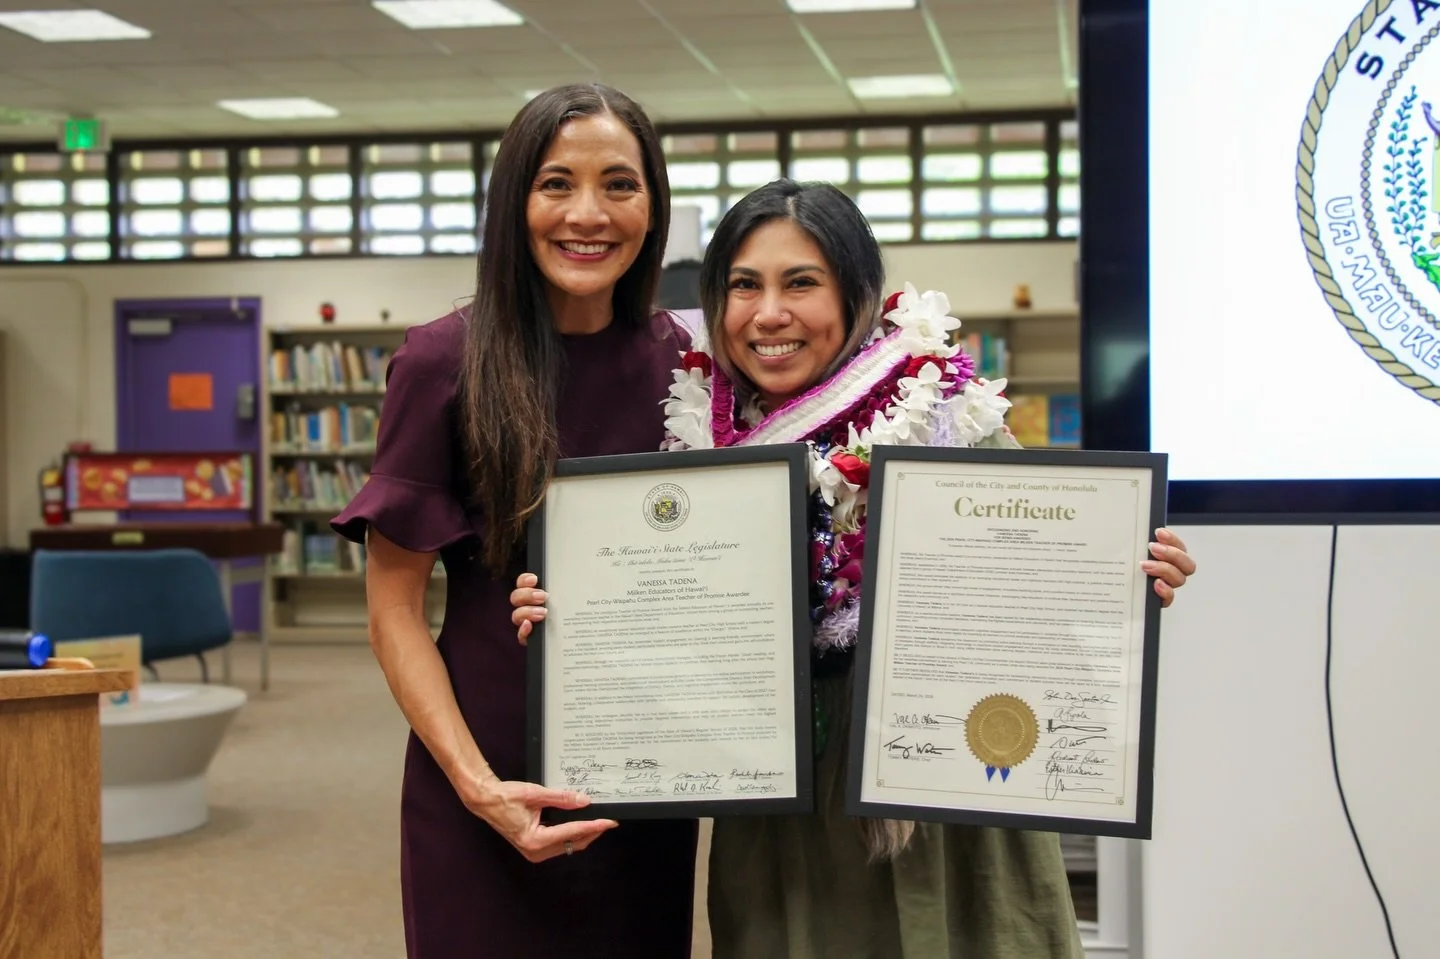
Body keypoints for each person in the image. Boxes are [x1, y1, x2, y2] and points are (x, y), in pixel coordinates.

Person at [511, 179, 1197, 958]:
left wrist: (1121, 578)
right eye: (744, 285)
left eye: (801, 282)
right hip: (784, 814)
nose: (769, 314)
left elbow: (1044, 607)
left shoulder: (947, 420)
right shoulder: (694, 444)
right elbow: (670, 644)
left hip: (948, 799)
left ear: (860, 292)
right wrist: (574, 615)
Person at [331, 83, 698, 958]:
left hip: (641, 785)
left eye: (620, 183)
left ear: (653, 206)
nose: (588, 213)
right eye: (555, 183)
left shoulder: (682, 365)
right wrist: (478, 784)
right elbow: (393, 611)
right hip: (482, 770)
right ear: (513, 202)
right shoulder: (441, 361)